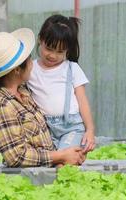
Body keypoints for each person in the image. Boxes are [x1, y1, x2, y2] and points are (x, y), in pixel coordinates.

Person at [0, 28, 85, 167]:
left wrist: (71, 153)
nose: (32, 63)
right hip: (30, 180)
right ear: (17, 70)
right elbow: (16, 157)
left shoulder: (24, 91)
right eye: (28, 60)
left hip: (46, 173)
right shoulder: (0, 105)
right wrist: (61, 156)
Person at [28, 14, 95, 153]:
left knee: (64, 161)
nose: (53, 55)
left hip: (71, 127)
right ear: (40, 39)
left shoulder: (72, 68)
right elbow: (11, 87)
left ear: (67, 50)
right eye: (49, 48)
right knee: (46, 162)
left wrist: (90, 130)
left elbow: (82, 102)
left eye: (60, 52)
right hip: (43, 128)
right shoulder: (30, 69)